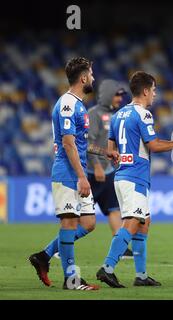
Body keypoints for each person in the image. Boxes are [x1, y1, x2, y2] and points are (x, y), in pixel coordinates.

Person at [29, 57, 117, 290]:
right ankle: (71, 279)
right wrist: (80, 176)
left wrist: (104, 152)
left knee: (88, 223)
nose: (94, 78)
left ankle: (44, 256)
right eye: (91, 74)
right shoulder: (68, 104)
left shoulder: (79, 105)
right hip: (67, 174)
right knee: (69, 223)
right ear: (83, 78)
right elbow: (68, 144)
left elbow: (80, 143)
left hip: (76, 173)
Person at [96, 71, 173, 288]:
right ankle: (107, 268)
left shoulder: (118, 115)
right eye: (153, 90)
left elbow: (110, 148)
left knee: (144, 223)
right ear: (145, 91)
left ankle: (141, 275)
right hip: (135, 177)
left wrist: (119, 157)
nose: (154, 94)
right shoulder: (143, 114)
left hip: (123, 175)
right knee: (134, 222)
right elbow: (153, 145)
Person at [87, 79, 133, 259]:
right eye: (117, 95)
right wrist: (97, 165)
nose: (120, 99)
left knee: (114, 209)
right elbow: (88, 143)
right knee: (77, 214)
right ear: (107, 95)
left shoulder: (118, 115)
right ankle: (62, 245)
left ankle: (119, 247)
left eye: (121, 95)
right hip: (91, 172)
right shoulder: (94, 114)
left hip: (109, 171)